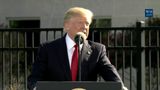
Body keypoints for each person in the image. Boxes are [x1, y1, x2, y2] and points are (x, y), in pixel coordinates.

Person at [28, 7, 128, 90]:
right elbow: (34, 80)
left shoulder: (97, 50)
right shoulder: (48, 49)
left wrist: (122, 88)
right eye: (80, 22)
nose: (85, 27)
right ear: (66, 25)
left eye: (87, 23)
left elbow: (111, 76)